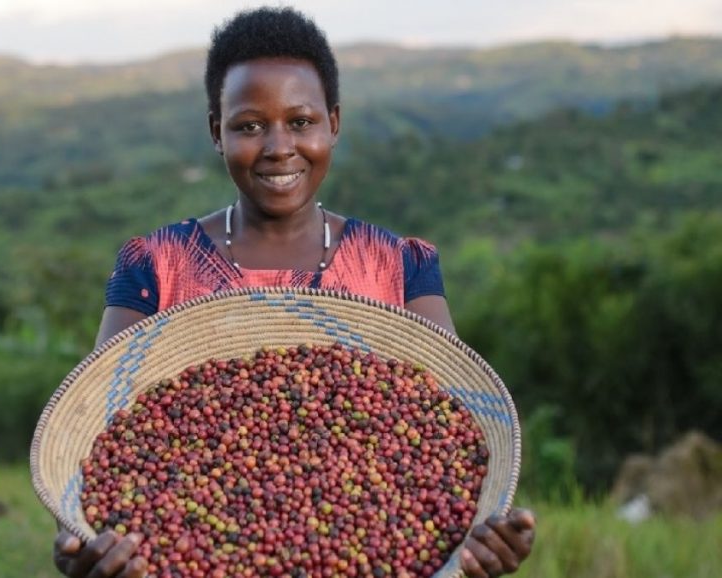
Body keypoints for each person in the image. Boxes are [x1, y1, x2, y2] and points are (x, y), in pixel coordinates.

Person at [54, 6, 536, 578]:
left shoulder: (400, 267)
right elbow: (93, 438)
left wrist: (481, 547)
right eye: (250, 125)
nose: (279, 146)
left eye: (301, 121)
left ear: (333, 122)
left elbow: (455, 426)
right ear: (218, 132)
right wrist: (80, 550)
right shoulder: (154, 267)